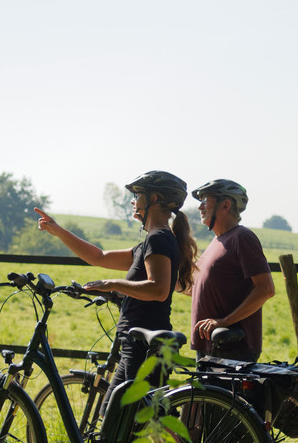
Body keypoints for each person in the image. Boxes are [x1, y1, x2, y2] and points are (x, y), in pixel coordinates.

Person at [34, 170, 197, 400]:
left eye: (138, 194)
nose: (133, 200)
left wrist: (114, 284)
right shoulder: (151, 241)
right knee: (122, 420)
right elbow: (99, 257)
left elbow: (158, 289)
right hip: (137, 343)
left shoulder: (158, 239)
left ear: (152, 200)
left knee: (134, 422)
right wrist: (58, 231)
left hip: (144, 346)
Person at [189, 179, 275, 362]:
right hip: (210, 345)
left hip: (231, 346)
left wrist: (223, 322)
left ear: (226, 205)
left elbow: (266, 289)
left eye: (205, 201)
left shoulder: (242, 237)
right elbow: (204, 289)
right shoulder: (217, 241)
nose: (200, 207)